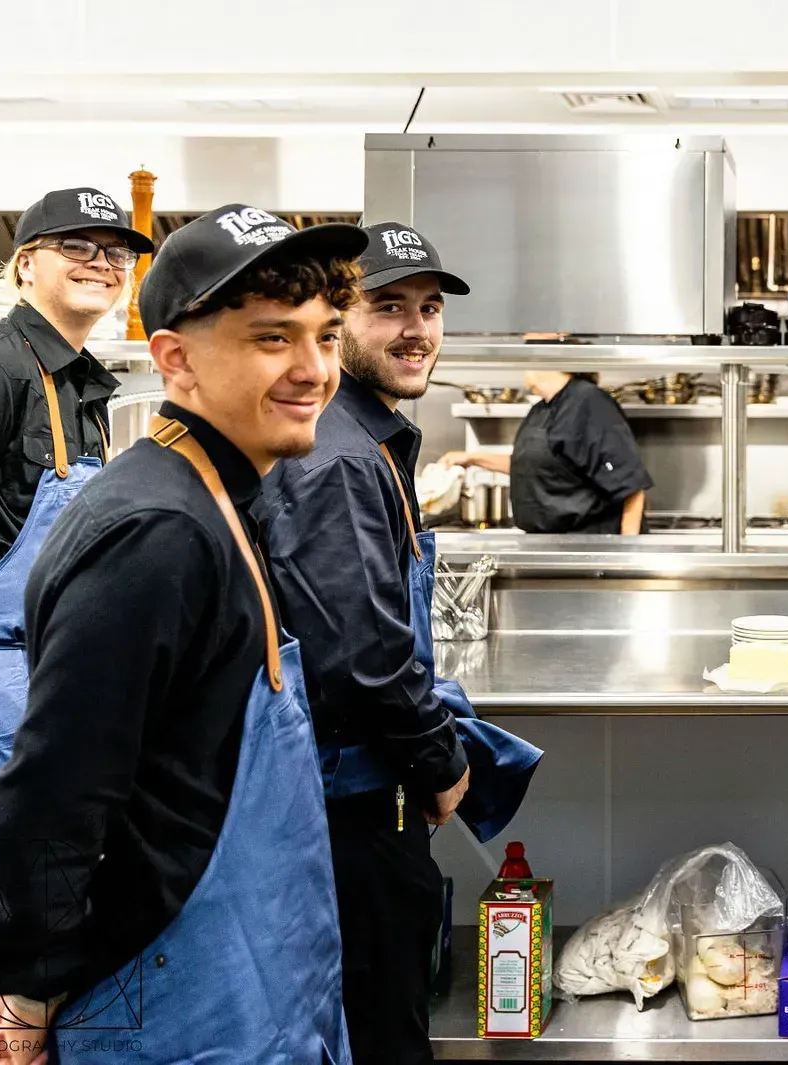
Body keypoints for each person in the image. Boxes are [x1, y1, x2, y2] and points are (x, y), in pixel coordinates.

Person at [0, 204, 369, 1065]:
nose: (313, 368)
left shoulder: (216, 495)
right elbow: (57, 791)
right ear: (175, 358)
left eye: (325, 336)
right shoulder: (157, 532)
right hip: (168, 998)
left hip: (244, 978)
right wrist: (25, 986)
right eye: (271, 339)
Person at [0, 187, 152, 1065]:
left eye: (115, 252)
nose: (100, 262)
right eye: (76, 247)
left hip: (30, 677)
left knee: (41, 932)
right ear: (23, 264)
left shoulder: (75, 384)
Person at [262, 221, 472, 1065]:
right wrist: (441, 762)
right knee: (381, 1030)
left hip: (351, 795)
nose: (417, 328)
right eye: (389, 307)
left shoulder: (369, 436)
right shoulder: (343, 457)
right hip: (347, 810)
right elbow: (363, 655)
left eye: (429, 307)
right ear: (337, 319)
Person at [444, 369, 652, 534]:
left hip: (589, 546)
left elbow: (630, 485)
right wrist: (472, 458)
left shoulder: (588, 401)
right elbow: (533, 466)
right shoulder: (542, 408)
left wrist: (625, 555)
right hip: (552, 544)